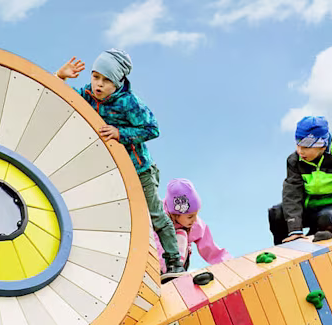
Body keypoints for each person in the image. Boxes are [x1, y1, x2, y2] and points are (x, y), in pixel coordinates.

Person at [55, 49, 185, 275]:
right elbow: (63, 97)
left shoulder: (128, 103)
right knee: (117, 217)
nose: (99, 85)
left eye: (106, 80)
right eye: (96, 77)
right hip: (113, 171)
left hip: (140, 169)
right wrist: (60, 76)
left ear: (117, 82)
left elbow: (152, 128)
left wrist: (120, 133)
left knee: (153, 215)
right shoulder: (88, 95)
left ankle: (174, 260)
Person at [268, 116, 332, 245]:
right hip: (306, 208)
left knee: (328, 218)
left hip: (329, 209)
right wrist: (295, 229)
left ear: (322, 146)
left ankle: (317, 244)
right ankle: (283, 249)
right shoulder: (294, 161)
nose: (300, 151)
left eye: (306, 147)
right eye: (298, 145)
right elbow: (292, 194)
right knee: (276, 213)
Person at [153, 179, 229, 271]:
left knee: (182, 234)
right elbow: (156, 243)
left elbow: (210, 248)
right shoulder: (159, 217)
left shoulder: (195, 224)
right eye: (190, 216)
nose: (194, 220)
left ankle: (174, 270)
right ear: (175, 214)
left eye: (196, 214)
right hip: (158, 258)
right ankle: (167, 269)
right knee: (173, 235)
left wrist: (227, 263)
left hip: (180, 263)